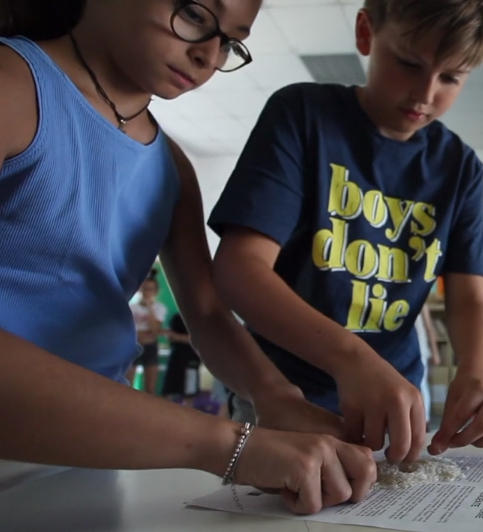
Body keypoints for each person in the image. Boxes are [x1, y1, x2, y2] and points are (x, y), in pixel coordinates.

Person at [0, 0, 375, 514]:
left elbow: (207, 314)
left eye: (230, 42)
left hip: (92, 452)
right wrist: (230, 445)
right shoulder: (12, 85)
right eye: (196, 15)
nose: (208, 56)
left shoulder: (171, 167)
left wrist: (277, 398)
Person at [209, 0, 483, 464]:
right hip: (284, 393)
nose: (425, 92)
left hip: (397, 400)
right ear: (365, 32)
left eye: (451, 78)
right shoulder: (304, 116)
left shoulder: (460, 168)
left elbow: (470, 296)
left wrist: (477, 372)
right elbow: (239, 269)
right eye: (409, 63)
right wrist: (351, 359)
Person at [128, 270, 168, 395]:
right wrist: (144, 332)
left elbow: (155, 330)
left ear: (155, 292)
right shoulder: (131, 307)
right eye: (144, 289)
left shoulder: (160, 308)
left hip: (150, 347)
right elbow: (129, 331)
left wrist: (150, 306)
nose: (147, 292)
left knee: (150, 387)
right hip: (132, 346)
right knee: (127, 384)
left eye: (150, 289)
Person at [162, 312, 202, 408]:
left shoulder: (200, 319)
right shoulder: (177, 317)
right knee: (169, 389)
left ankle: (186, 418)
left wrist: (180, 337)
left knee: (189, 392)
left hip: (191, 360)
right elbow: (170, 336)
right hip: (176, 357)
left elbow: (199, 339)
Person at [415, 303, 441, 428]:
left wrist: (435, 352)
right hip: (400, 352)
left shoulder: (421, 303)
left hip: (420, 350)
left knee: (421, 385)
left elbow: (430, 328)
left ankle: (425, 419)